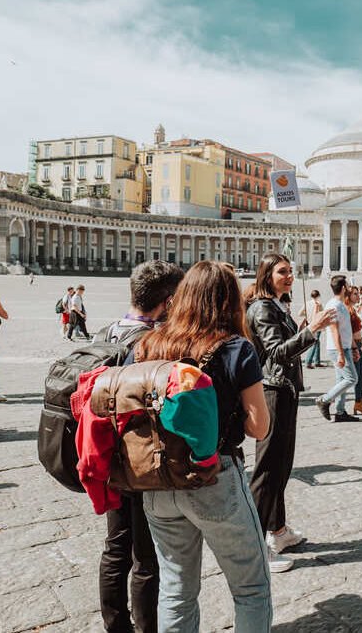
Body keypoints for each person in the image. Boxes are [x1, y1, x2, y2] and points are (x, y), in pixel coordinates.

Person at [130, 261, 272, 631]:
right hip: (214, 475)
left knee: (176, 588)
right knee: (251, 588)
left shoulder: (148, 343)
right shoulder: (236, 348)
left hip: (159, 481)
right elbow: (259, 427)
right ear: (230, 302)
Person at [98, 260, 184, 633]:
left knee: (115, 547)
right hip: (138, 460)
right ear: (166, 302)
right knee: (146, 557)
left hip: (104, 455)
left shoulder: (107, 332)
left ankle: (116, 625)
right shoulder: (151, 344)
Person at [246, 253, 336, 574]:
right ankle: (255, 546)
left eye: (291, 271)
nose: (289, 277)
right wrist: (311, 330)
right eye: (282, 272)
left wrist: (304, 328)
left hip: (285, 390)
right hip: (271, 391)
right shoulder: (261, 308)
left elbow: (287, 345)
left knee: (282, 464)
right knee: (267, 469)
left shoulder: (277, 306)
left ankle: (278, 531)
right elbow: (276, 353)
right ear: (266, 274)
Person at [315, 275, 359, 423]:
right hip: (337, 349)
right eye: (347, 286)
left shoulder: (341, 305)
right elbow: (334, 330)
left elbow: (346, 330)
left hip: (344, 347)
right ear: (342, 288)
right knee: (351, 378)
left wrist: (354, 348)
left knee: (342, 379)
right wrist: (341, 353)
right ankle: (324, 399)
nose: (349, 288)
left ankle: (340, 412)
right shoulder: (333, 305)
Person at [346, 286, 362, 416]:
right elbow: (347, 331)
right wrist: (355, 347)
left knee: (361, 375)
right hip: (352, 346)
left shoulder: (354, 309)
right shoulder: (347, 310)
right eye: (355, 294)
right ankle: (330, 399)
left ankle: (358, 402)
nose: (358, 296)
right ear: (348, 295)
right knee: (351, 378)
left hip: (358, 344)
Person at [303, 290, 325, 369]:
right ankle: (308, 362)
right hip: (317, 325)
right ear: (318, 296)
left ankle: (317, 361)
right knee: (314, 343)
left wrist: (307, 315)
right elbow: (322, 314)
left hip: (309, 324)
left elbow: (300, 313)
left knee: (317, 343)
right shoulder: (319, 304)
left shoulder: (307, 303)